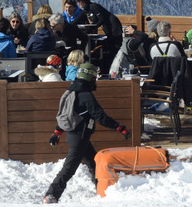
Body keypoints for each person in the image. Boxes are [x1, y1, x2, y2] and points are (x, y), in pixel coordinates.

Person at [42, 62, 131, 204]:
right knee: (69, 169)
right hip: (79, 137)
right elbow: (101, 117)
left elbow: (67, 115)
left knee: (94, 162)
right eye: (94, 78)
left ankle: (102, 188)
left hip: (78, 136)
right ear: (90, 78)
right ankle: (51, 195)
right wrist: (120, 128)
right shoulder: (85, 95)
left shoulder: (71, 91)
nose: (95, 81)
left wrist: (57, 132)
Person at [75, 0, 122, 65]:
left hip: (113, 26)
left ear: (82, 1)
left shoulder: (93, 6)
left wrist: (93, 26)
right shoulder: (86, 10)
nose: (77, 4)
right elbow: (77, 20)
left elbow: (101, 19)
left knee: (115, 46)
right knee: (109, 46)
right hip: (107, 28)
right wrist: (67, 25)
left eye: (78, 2)